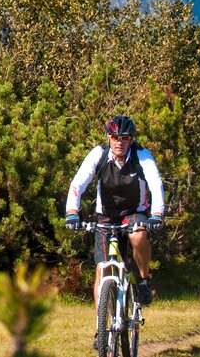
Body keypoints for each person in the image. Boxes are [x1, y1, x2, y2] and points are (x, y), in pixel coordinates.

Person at [64, 115, 165, 307]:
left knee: (137, 236)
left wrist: (157, 215)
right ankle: (100, 330)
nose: (119, 142)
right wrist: (72, 212)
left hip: (134, 211)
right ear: (108, 137)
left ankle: (144, 280)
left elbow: (155, 183)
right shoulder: (99, 155)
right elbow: (78, 183)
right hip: (106, 215)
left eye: (124, 138)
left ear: (131, 140)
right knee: (102, 269)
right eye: (115, 137)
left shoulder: (141, 156)